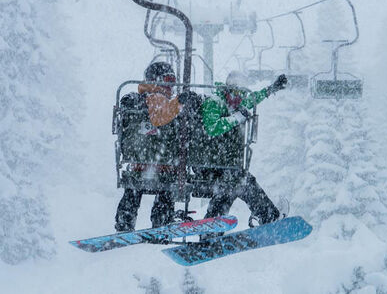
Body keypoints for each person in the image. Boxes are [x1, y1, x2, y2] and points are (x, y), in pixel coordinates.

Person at [200, 71, 288, 225]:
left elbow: (253, 99)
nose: (238, 97)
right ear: (227, 90)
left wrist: (272, 88)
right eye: (235, 92)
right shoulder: (214, 102)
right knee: (242, 181)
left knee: (229, 188)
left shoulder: (236, 104)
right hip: (209, 162)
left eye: (241, 94)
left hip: (224, 164)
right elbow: (212, 128)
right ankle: (268, 216)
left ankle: (212, 227)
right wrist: (237, 118)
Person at [115, 62, 185, 232]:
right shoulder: (155, 99)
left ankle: (125, 224)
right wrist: (181, 103)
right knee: (164, 193)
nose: (171, 86)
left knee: (134, 193)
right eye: (168, 81)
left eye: (173, 82)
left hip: (143, 164)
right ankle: (161, 225)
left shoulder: (144, 101)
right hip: (161, 164)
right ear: (157, 81)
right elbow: (159, 117)